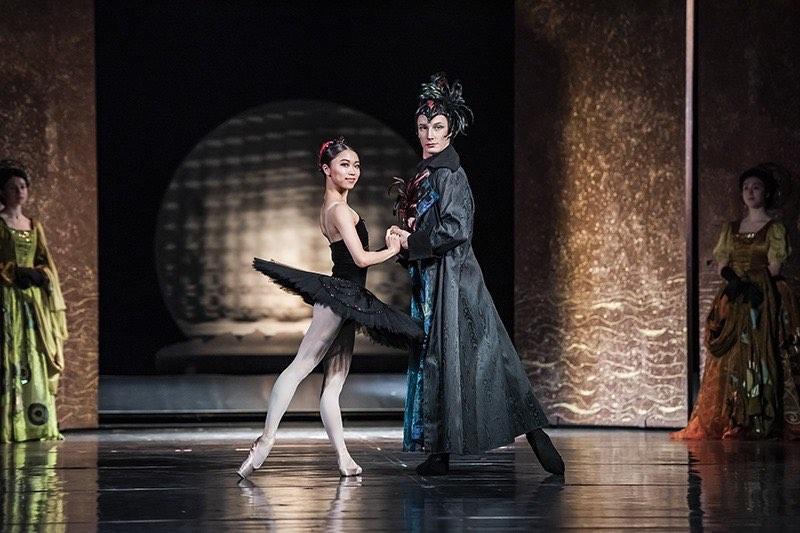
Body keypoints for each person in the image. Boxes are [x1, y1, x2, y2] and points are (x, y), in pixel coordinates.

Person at [389, 73, 565, 476]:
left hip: (457, 282)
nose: (429, 134)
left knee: (487, 357)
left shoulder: (450, 174)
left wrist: (412, 242)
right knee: (446, 361)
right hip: (436, 280)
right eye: (423, 127)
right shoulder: (428, 171)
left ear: (451, 130)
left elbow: (456, 229)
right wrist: (408, 237)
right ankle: (441, 450)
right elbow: (433, 226)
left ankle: (534, 431)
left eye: (437, 127)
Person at [237, 138, 423, 478]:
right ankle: (264, 442)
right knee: (300, 367)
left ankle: (343, 458)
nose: (353, 171)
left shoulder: (333, 206)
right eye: (344, 165)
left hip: (348, 300)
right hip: (340, 296)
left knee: (333, 385)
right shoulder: (338, 210)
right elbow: (361, 259)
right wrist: (394, 247)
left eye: (356, 165)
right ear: (326, 169)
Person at [672, 164, 800, 440]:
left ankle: (763, 414)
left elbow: (776, 264)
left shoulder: (774, 228)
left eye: (756, 188)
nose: (750, 193)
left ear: (766, 193)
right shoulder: (732, 228)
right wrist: (734, 281)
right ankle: (736, 415)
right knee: (733, 357)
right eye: (746, 188)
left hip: (763, 296)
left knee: (763, 351)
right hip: (736, 294)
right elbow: (722, 261)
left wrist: (755, 285)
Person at [0, 160, 68, 443]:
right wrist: (13, 272)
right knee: (10, 354)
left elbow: (46, 261)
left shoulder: (34, 226)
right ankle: (9, 424)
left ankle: (34, 424)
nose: (20, 191)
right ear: (2, 192)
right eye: (13, 187)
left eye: (23, 186)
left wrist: (41, 274)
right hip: (7, 298)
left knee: (33, 357)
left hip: (30, 302)